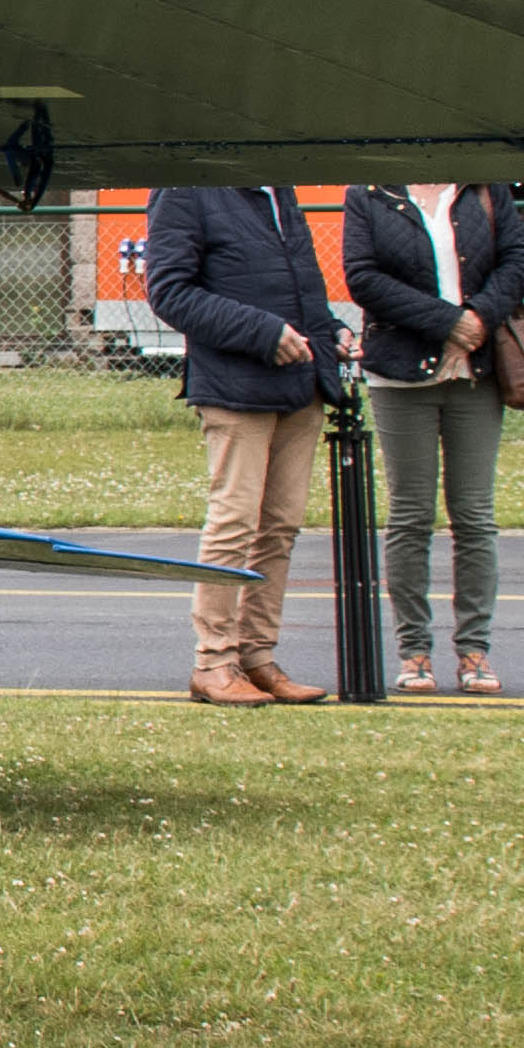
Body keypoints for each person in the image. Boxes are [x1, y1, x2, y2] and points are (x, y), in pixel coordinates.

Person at [143, 184, 344, 706]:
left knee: (280, 525)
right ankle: (212, 662)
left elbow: (298, 284)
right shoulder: (186, 190)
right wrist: (263, 332)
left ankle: (256, 658)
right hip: (236, 387)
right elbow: (170, 293)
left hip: (301, 383)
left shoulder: (279, 188)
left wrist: (330, 334)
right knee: (234, 523)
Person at [341, 183, 524, 696]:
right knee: (410, 514)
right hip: (401, 374)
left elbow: (518, 259)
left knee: (474, 515)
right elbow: (362, 277)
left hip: (476, 373)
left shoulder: (484, 187)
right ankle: (415, 652)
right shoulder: (368, 193)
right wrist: (447, 321)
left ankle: (475, 650)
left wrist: (479, 318)